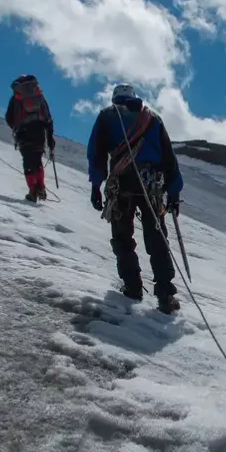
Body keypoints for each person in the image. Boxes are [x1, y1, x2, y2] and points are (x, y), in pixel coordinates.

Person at [87, 83, 182, 314]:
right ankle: (166, 296)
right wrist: (174, 192)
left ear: (114, 98)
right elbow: (169, 158)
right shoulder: (153, 118)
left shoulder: (108, 116)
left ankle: (132, 287)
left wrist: (96, 185)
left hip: (122, 186)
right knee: (157, 239)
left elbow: (96, 153)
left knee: (122, 237)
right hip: (152, 186)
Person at [5, 74, 55, 202]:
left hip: (24, 133)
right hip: (39, 133)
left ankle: (33, 191)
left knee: (28, 162)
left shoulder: (16, 98)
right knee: (37, 160)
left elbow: (9, 118)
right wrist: (50, 140)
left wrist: (16, 127)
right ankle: (41, 187)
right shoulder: (39, 97)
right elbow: (48, 118)